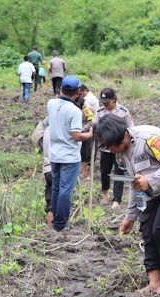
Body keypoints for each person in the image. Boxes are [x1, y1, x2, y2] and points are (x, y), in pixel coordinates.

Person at [95, 114, 160, 296]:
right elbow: (135, 184)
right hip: (154, 193)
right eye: (108, 147)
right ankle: (154, 282)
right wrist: (130, 217)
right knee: (148, 231)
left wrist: (150, 179)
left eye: (113, 145)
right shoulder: (121, 154)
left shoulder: (149, 139)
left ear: (121, 135)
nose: (112, 150)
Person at [47, 75, 93, 232]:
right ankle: (61, 224)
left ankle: (55, 222)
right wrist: (89, 134)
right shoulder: (74, 111)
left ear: (61, 89)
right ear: (78, 91)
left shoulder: (51, 104)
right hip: (69, 157)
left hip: (54, 154)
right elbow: (76, 136)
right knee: (65, 191)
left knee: (56, 189)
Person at [95, 88, 135, 209]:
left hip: (120, 148)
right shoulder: (100, 112)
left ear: (114, 99)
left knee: (119, 172)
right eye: (103, 102)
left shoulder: (123, 112)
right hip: (106, 149)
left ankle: (117, 199)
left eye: (107, 101)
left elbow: (131, 128)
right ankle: (105, 193)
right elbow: (96, 128)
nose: (105, 104)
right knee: (104, 172)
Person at [78, 85, 101, 179]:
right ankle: (84, 171)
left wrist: (82, 129)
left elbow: (91, 121)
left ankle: (90, 173)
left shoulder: (86, 108)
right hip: (83, 133)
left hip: (90, 132)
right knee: (83, 151)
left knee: (90, 152)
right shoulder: (78, 109)